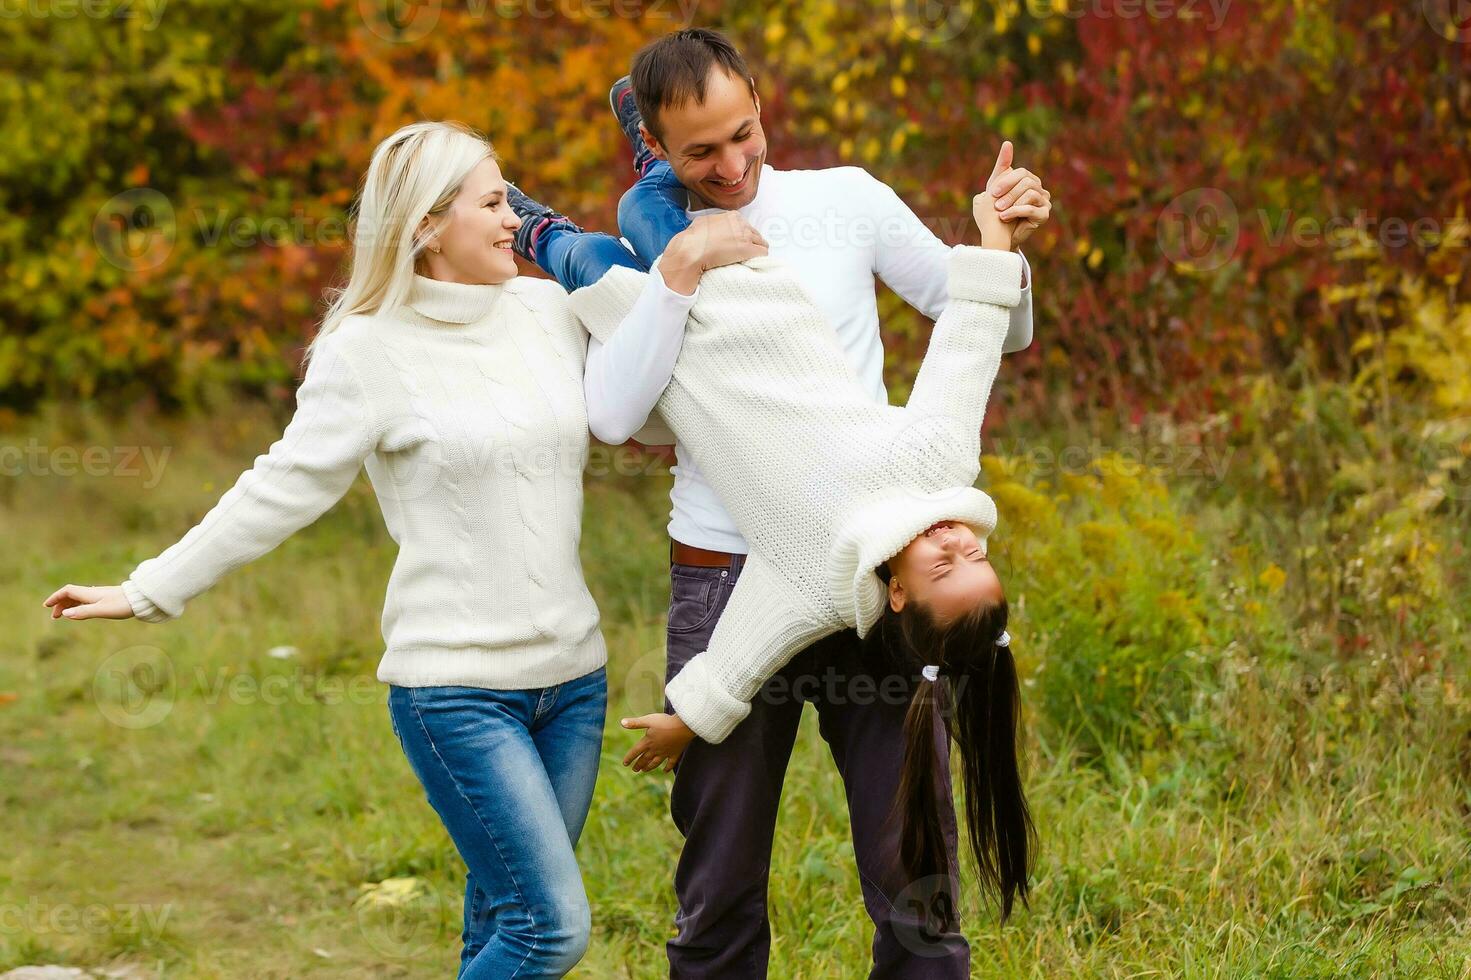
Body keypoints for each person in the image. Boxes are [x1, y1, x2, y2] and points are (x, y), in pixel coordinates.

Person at [40, 119, 758, 979]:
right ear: (425, 225)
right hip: (454, 691)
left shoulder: (543, 310)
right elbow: (282, 487)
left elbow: (643, 400)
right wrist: (149, 589)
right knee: (551, 931)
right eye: (494, 204)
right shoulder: (366, 351)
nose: (514, 223)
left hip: (572, 681)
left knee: (500, 918)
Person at [506, 32, 1044, 969]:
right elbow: (615, 416)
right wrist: (678, 274)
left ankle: (573, 218)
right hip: (718, 564)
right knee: (718, 879)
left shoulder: (846, 201)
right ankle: (568, 212)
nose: (734, 164)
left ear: (761, 106)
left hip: (860, 621)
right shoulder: (936, 468)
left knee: (916, 874)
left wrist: (1005, 250)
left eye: (743, 137)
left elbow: (983, 325)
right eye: (701, 151)